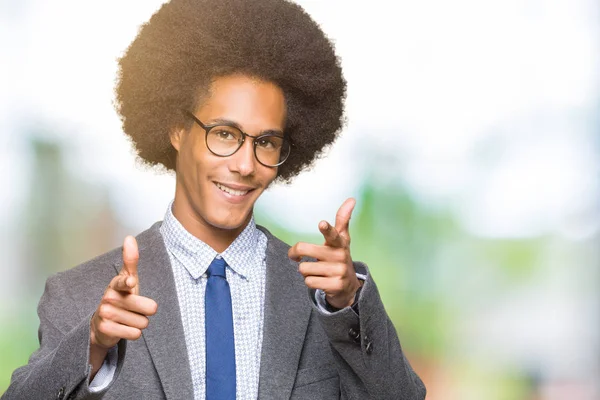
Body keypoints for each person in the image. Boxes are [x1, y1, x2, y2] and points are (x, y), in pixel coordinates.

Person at [3, 0, 426, 399]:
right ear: (176, 129)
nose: (245, 164)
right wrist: (94, 343)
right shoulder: (79, 296)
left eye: (265, 141)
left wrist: (348, 305)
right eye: (224, 133)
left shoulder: (326, 297)